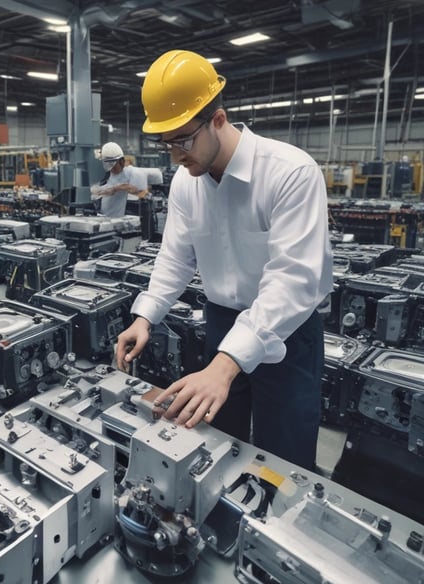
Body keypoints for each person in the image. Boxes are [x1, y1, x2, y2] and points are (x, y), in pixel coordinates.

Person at [115, 50, 332, 471]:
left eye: (182, 140)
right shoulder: (186, 182)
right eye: (166, 144)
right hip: (221, 323)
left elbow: (294, 279)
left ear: (218, 119)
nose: (175, 155)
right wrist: (144, 316)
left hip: (287, 334)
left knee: (282, 455)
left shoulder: (290, 173)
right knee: (217, 444)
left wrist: (226, 364)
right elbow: (175, 257)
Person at [90, 141, 149, 217]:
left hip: (114, 219)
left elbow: (142, 192)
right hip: (97, 216)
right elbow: (94, 192)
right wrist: (114, 188)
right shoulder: (101, 174)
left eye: (114, 166)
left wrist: (118, 188)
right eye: (108, 165)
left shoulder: (128, 173)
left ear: (122, 162)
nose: (111, 169)